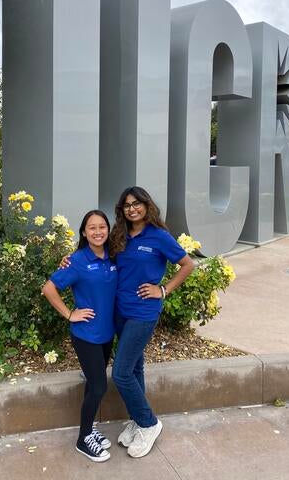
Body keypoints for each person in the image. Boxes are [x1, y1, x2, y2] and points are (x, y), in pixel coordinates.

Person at [109, 186, 194, 458]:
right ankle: (137, 419)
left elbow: (187, 265)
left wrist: (164, 290)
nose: (132, 208)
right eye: (127, 205)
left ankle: (149, 423)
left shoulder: (159, 236)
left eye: (137, 203)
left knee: (121, 373)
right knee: (134, 368)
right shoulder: (120, 235)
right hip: (120, 311)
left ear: (147, 205)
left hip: (143, 312)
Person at [42, 210, 117, 463]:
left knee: (94, 384)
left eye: (102, 227)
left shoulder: (113, 257)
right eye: (92, 228)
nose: (98, 232)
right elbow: (49, 289)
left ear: (108, 230)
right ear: (84, 232)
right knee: (98, 385)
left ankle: (90, 430)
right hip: (86, 335)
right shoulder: (76, 261)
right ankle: (83, 438)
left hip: (107, 334)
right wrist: (69, 313)